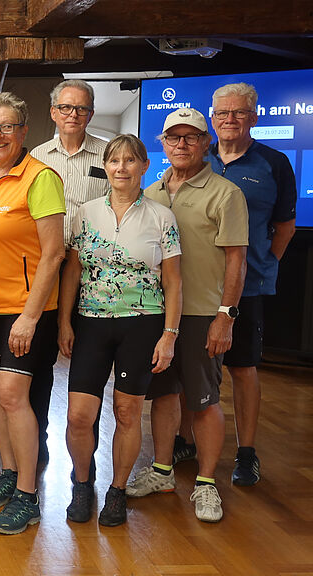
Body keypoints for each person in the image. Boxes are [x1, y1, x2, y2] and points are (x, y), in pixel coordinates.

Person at [130, 107, 248, 523]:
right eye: (173, 137)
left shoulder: (225, 193)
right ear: (162, 144)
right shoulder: (152, 192)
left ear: (205, 143)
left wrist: (225, 316)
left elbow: (237, 261)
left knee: (203, 400)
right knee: (163, 397)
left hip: (202, 313)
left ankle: (205, 484)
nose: (181, 144)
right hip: (157, 314)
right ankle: (162, 472)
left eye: (191, 137)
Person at [59, 134, 182, 526]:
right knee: (79, 415)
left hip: (143, 325)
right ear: (106, 167)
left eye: (131, 161)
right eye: (115, 161)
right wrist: (64, 320)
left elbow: (173, 281)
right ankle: (82, 484)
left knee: (127, 412)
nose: (122, 168)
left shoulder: (162, 217)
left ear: (145, 166)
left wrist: (170, 334)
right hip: (91, 323)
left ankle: (117, 490)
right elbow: (73, 271)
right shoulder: (86, 213)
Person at [0, 92, 65, 534]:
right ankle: (8, 471)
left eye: (6, 127)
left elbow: (54, 253)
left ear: (23, 132)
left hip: (24, 310)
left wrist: (30, 316)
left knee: (12, 395)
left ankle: (28, 494)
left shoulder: (40, 178)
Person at [206, 83, 296, 487]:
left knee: (243, 369)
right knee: (198, 369)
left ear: (253, 118)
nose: (229, 120)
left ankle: (246, 452)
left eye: (238, 113)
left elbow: (285, 225)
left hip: (248, 289)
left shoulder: (274, 163)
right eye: (222, 113)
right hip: (197, 286)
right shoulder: (196, 158)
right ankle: (186, 441)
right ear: (212, 118)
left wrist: (264, 264)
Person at [30, 79, 111, 473]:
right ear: (53, 112)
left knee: (87, 365)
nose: (72, 115)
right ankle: (39, 440)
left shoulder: (108, 155)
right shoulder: (37, 157)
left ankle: (87, 451)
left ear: (91, 114)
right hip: (49, 265)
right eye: (65, 108)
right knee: (43, 359)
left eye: (80, 109)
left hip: (95, 270)